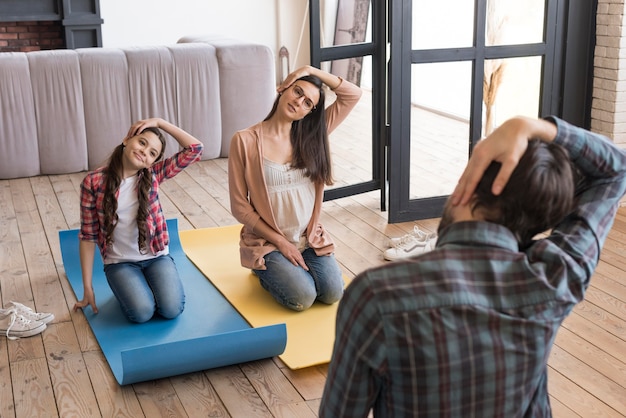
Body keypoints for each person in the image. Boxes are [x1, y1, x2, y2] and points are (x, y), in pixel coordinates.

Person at [319, 115, 626, 417]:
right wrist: (537, 127)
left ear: (471, 180)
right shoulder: (555, 276)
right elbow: (616, 171)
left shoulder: (376, 295)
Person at [228, 65, 362, 311]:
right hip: (268, 241)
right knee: (303, 297)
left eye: (308, 103)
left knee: (333, 292)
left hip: (308, 238)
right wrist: (280, 242)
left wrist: (312, 70)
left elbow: (352, 94)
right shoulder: (244, 140)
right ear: (284, 89)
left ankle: (290, 269)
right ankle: (264, 269)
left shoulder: (313, 135)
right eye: (297, 92)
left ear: (309, 112)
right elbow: (239, 207)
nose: (299, 102)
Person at [73, 118, 204, 323]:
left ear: (153, 162)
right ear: (127, 140)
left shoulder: (153, 175)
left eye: (153, 153)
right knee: (141, 313)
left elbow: (195, 148)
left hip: (156, 257)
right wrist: (87, 287)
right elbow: (88, 235)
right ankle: (128, 287)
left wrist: (160, 123)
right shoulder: (94, 181)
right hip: (120, 263)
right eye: (142, 142)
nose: (145, 151)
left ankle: (144, 285)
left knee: (171, 309)